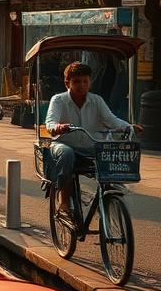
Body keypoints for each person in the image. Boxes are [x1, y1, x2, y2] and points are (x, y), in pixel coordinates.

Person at [45, 61, 142, 222]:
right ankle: (63, 201)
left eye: (85, 81)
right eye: (76, 82)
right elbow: (50, 122)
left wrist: (128, 127)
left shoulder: (96, 100)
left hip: (91, 146)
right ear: (67, 83)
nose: (81, 85)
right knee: (67, 154)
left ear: (90, 82)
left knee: (110, 154)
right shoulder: (58, 100)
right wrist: (58, 127)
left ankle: (105, 200)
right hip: (64, 144)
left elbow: (112, 120)